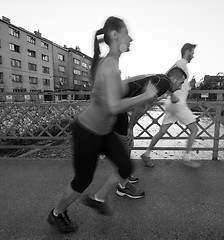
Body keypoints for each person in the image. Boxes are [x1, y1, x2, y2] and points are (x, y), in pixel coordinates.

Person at [47, 16, 158, 234]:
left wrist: (143, 87)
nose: (131, 38)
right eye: (127, 33)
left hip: (104, 131)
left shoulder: (113, 64)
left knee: (125, 165)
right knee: (82, 180)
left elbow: (119, 93)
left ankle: (97, 198)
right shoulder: (108, 65)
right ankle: (56, 213)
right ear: (115, 35)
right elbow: (114, 106)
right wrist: (146, 94)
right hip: (87, 132)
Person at [113, 68, 187, 198]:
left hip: (117, 102)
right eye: (181, 83)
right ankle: (122, 186)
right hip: (115, 105)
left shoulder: (162, 79)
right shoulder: (163, 84)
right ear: (174, 79)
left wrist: (172, 94)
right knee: (127, 144)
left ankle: (124, 175)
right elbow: (141, 105)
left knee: (126, 144)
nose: (180, 87)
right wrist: (130, 127)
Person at [141, 43, 201, 168]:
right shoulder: (180, 64)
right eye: (192, 53)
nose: (193, 56)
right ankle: (187, 158)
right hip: (177, 103)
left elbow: (179, 85)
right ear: (187, 52)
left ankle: (146, 154)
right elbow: (164, 80)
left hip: (171, 103)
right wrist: (172, 94)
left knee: (162, 131)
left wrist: (190, 85)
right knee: (194, 129)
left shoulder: (181, 66)